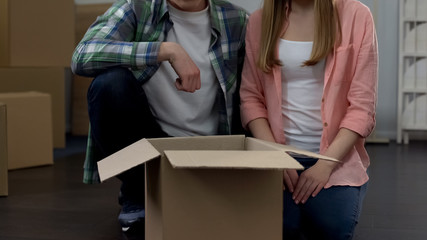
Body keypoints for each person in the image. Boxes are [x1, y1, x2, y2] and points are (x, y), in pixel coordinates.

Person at [71, 0, 248, 232]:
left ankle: (189, 190)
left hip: (209, 151)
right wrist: (166, 50)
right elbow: (83, 55)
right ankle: (138, 187)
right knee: (109, 85)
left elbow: (255, 91)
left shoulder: (237, 19)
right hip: (151, 148)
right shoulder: (137, 8)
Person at [240, 0, 378, 239]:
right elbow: (251, 99)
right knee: (280, 226)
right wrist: (275, 157)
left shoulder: (357, 15)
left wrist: (325, 165)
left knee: (333, 226)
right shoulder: (259, 21)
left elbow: (362, 107)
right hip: (278, 156)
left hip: (335, 157)